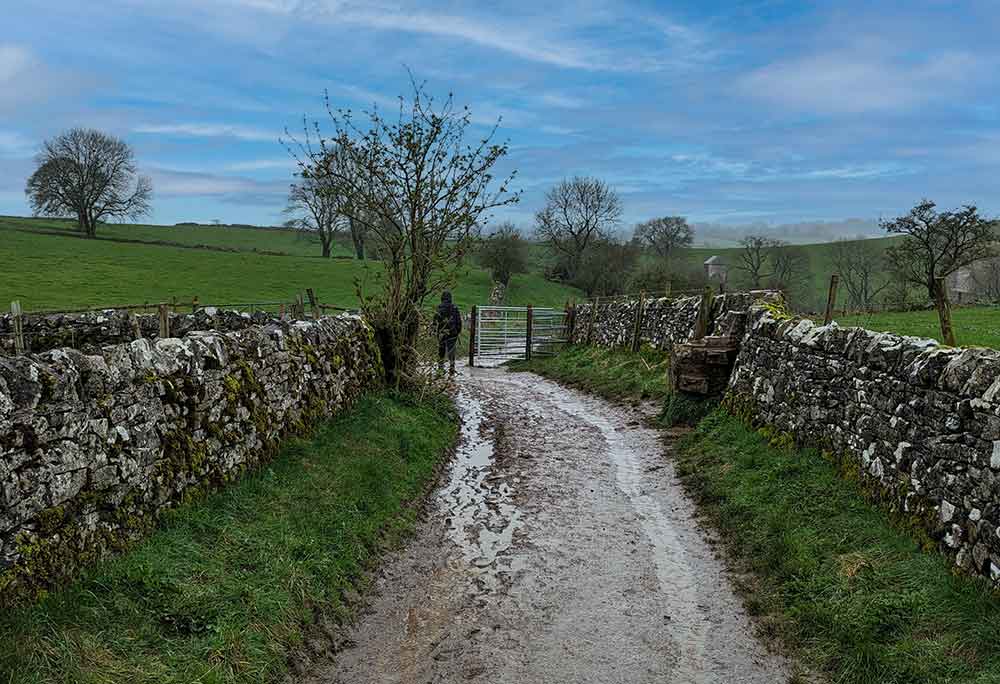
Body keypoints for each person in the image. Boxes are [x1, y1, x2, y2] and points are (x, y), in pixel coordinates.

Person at [434, 290, 462, 376]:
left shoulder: (439, 308)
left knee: (441, 350)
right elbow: (459, 321)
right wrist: (457, 331)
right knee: (451, 350)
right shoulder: (454, 308)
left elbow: (435, 320)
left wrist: (436, 331)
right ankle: (452, 367)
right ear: (450, 298)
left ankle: (440, 368)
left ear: (442, 298)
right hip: (452, 333)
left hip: (442, 332)